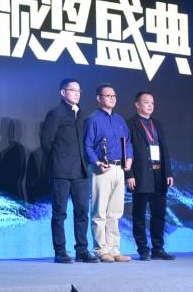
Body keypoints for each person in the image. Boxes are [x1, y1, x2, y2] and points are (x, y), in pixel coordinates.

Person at [41, 78, 98, 264]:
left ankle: (82, 250)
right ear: (63, 92)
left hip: (80, 171)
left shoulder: (81, 114)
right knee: (60, 213)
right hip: (61, 171)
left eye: (79, 90)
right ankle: (60, 251)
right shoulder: (55, 113)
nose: (77, 93)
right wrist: (58, 162)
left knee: (82, 211)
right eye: (73, 90)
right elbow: (46, 143)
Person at [84, 83, 133, 262]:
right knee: (99, 212)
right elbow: (87, 145)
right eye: (108, 95)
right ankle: (100, 250)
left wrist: (129, 158)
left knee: (115, 212)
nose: (112, 98)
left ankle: (114, 249)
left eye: (114, 96)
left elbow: (128, 142)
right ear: (99, 98)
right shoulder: (93, 119)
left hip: (119, 169)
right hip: (101, 169)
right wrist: (96, 162)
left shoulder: (120, 120)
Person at [125, 91, 176, 261]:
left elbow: (164, 149)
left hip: (158, 175)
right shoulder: (130, 123)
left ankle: (158, 248)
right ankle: (143, 249)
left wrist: (168, 172)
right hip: (140, 175)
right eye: (146, 102)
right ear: (137, 104)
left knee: (159, 214)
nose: (150, 105)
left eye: (152, 102)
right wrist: (129, 174)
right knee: (139, 215)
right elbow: (126, 150)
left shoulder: (157, 124)